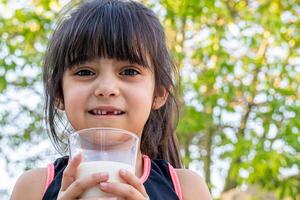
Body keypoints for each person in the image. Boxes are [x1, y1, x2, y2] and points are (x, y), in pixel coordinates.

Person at [11, 0, 212, 199]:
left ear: (159, 93)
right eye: (84, 72)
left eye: (129, 71)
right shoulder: (34, 188)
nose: (106, 89)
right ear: (58, 92)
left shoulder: (187, 188)